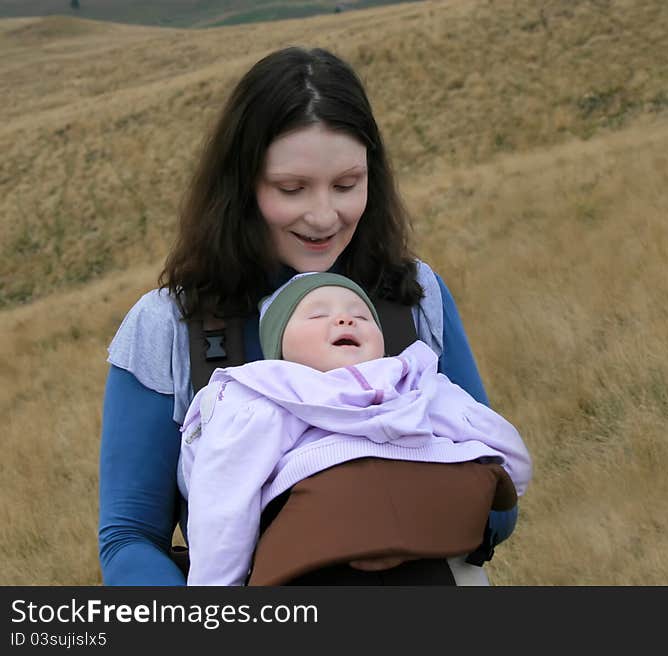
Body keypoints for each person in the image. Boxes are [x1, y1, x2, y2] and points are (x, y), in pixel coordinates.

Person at [98, 46, 521, 586]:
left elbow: (499, 502)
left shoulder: (414, 295)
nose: (324, 216)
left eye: (347, 184)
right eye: (292, 189)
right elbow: (128, 538)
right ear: (241, 186)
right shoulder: (169, 325)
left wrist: (393, 518)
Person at [179, 272, 531, 586]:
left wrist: (504, 480)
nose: (346, 318)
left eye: (362, 315)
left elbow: (494, 438)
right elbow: (224, 493)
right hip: (321, 559)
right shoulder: (271, 395)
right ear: (278, 349)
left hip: (432, 535)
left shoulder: (414, 382)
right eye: (318, 314)